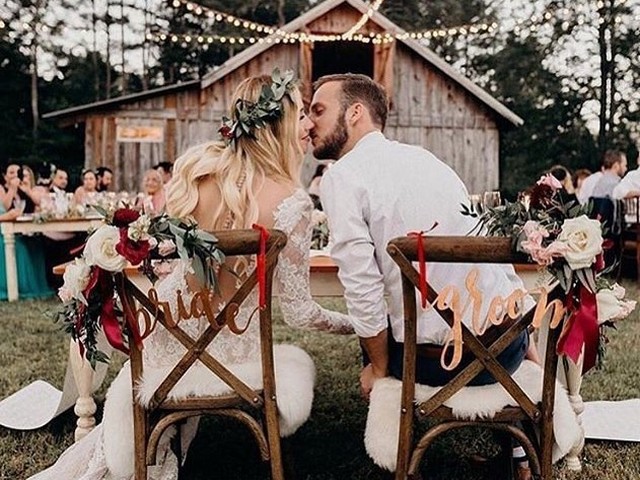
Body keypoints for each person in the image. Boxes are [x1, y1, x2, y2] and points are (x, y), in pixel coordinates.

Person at [30, 72, 352, 480]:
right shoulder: (292, 202)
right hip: (236, 356)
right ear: (280, 123)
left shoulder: (197, 175)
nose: (307, 125)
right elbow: (300, 312)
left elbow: (159, 260)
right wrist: (357, 325)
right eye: (301, 114)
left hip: (168, 346)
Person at [310, 74, 535, 479]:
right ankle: (519, 455)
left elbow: (362, 288)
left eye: (318, 111)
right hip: (506, 352)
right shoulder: (429, 160)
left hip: (435, 365)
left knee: (375, 336)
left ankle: (399, 452)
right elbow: (485, 245)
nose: (309, 123)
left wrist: (378, 369)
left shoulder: (342, 176)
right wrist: (526, 335)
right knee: (457, 308)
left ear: (356, 113)